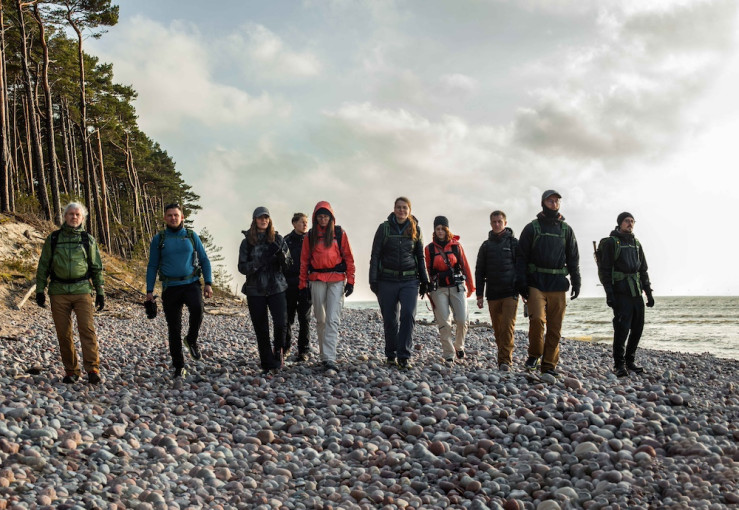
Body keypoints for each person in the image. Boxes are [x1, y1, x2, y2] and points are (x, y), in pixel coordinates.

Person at [35, 202, 105, 384]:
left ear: (82, 218)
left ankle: (92, 369)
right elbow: (43, 266)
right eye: (71, 214)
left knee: (87, 330)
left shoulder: (87, 239)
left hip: (82, 290)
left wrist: (100, 292)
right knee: (63, 333)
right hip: (58, 292)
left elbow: (96, 267)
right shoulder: (53, 238)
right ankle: (71, 371)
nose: (74, 217)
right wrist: (39, 290)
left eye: (77, 214)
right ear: (64, 217)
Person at [516, 190, 581, 377]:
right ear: (543, 203)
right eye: (550, 200)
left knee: (555, 327)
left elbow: (573, 258)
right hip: (536, 282)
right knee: (536, 320)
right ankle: (535, 354)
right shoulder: (532, 228)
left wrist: (576, 281)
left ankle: (549, 365)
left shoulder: (566, 230)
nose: (554, 203)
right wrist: (521, 282)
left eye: (557, 201)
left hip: (559, 284)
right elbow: (521, 257)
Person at [145, 203, 213, 379]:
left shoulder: (191, 236)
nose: (173, 218)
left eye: (176, 215)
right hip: (170, 287)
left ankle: (191, 339)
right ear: (164, 218)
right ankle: (178, 366)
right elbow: (152, 266)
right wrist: (149, 291)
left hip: (191, 283)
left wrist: (208, 283)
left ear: (182, 217)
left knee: (198, 310)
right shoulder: (159, 239)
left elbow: (204, 260)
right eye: (169, 215)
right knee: (174, 328)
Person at [369, 196, 430, 370]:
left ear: (409, 210)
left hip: (410, 280)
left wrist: (424, 280)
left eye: (405, 208)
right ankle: (390, 354)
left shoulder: (416, 229)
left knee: (408, 315)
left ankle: (404, 356)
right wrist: (372, 280)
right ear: (394, 209)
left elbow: (420, 256)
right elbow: (375, 255)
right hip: (386, 279)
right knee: (390, 319)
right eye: (399, 207)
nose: (401, 210)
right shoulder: (384, 228)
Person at [299, 201, 356, 371]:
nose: (323, 219)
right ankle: (324, 355)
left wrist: (351, 281)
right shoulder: (310, 236)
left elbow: (348, 258)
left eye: (326, 216)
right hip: (316, 279)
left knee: (332, 318)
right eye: (320, 216)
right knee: (321, 319)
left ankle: (329, 357)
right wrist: (302, 285)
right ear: (316, 218)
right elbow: (304, 261)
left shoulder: (339, 233)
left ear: (331, 217)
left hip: (337, 280)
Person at [597, 212, 654, 377]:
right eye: (626, 221)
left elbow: (643, 270)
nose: (630, 223)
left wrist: (648, 294)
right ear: (619, 223)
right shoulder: (611, 243)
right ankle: (618, 364)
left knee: (638, 328)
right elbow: (605, 270)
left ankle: (630, 361)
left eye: (632, 221)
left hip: (636, 292)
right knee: (621, 329)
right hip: (620, 292)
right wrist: (609, 294)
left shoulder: (636, 243)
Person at [238, 206, 291, 374]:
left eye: (266, 217)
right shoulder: (247, 242)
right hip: (255, 289)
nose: (264, 220)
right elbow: (241, 267)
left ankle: (279, 351)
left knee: (282, 323)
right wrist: (258, 262)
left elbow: (290, 264)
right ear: (255, 220)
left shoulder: (278, 239)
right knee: (261, 328)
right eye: (260, 217)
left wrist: (282, 258)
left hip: (277, 287)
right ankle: (267, 362)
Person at [424, 216, 475, 363]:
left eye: (442, 229)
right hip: (439, 289)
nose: (440, 231)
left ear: (447, 230)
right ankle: (448, 354)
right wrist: (428, 288)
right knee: (444, 322)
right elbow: (428, 269)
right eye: (437, 229)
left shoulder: (456, 246)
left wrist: (471, 287)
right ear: (434, 230)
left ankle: (459, 346)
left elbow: (465, 266)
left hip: (457, 287)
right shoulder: (429, 249)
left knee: (462, 319)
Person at [474, 210, 520, 372]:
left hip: (511, 293)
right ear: (490, 224)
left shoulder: (514, 243)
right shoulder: (486, 246)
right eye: (494, 222)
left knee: (507, 327)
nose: (497, 224)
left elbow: (521, 268)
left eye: (499, 221)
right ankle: (503, 358)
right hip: (492, 294)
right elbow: (479, 271)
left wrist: (524, 290)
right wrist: (479, 294)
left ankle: (505, 361)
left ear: (505, 223)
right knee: (498, 329)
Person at [284, 212, 312, 362]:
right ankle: (286, 347)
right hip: (289, 284)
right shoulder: (286, 240)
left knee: (305, 318)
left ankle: (303, 351)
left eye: (306, 222)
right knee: (288, 318)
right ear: (294, 223)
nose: (305, 224)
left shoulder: (311, 240)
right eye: (302, 222)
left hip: (306, 284)